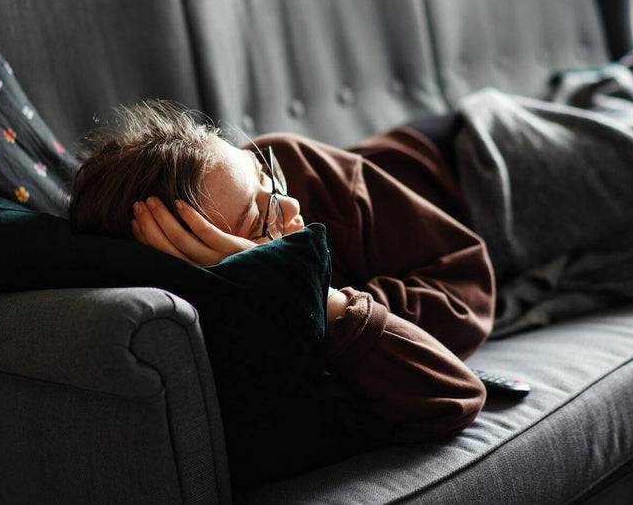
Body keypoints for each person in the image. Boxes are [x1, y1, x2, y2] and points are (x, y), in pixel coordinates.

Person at [69, 100, 495, 473]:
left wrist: (344, 302)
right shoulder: (252, 347)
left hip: (475, 154)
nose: (289, 205)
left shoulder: (293, 164)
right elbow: (454, 395)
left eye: (263, 174)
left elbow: (468, 288)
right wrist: (312, 297)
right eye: (259, 221)